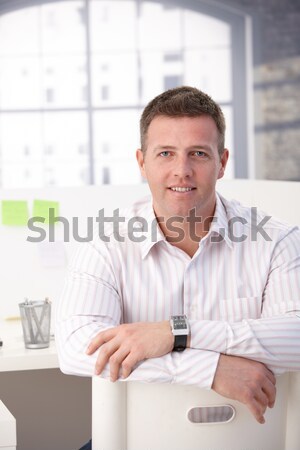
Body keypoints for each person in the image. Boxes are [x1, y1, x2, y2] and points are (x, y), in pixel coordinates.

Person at [55, 86, 300, 450]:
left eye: (198, 153)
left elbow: (296, 337)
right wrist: (211, 369)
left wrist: (175, 333)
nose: (181, 171)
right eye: (165, 153)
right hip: (139, 441)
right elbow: (77, 348)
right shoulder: (104, 244)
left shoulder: (277, 240)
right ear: (142, 162)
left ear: (222, 162)